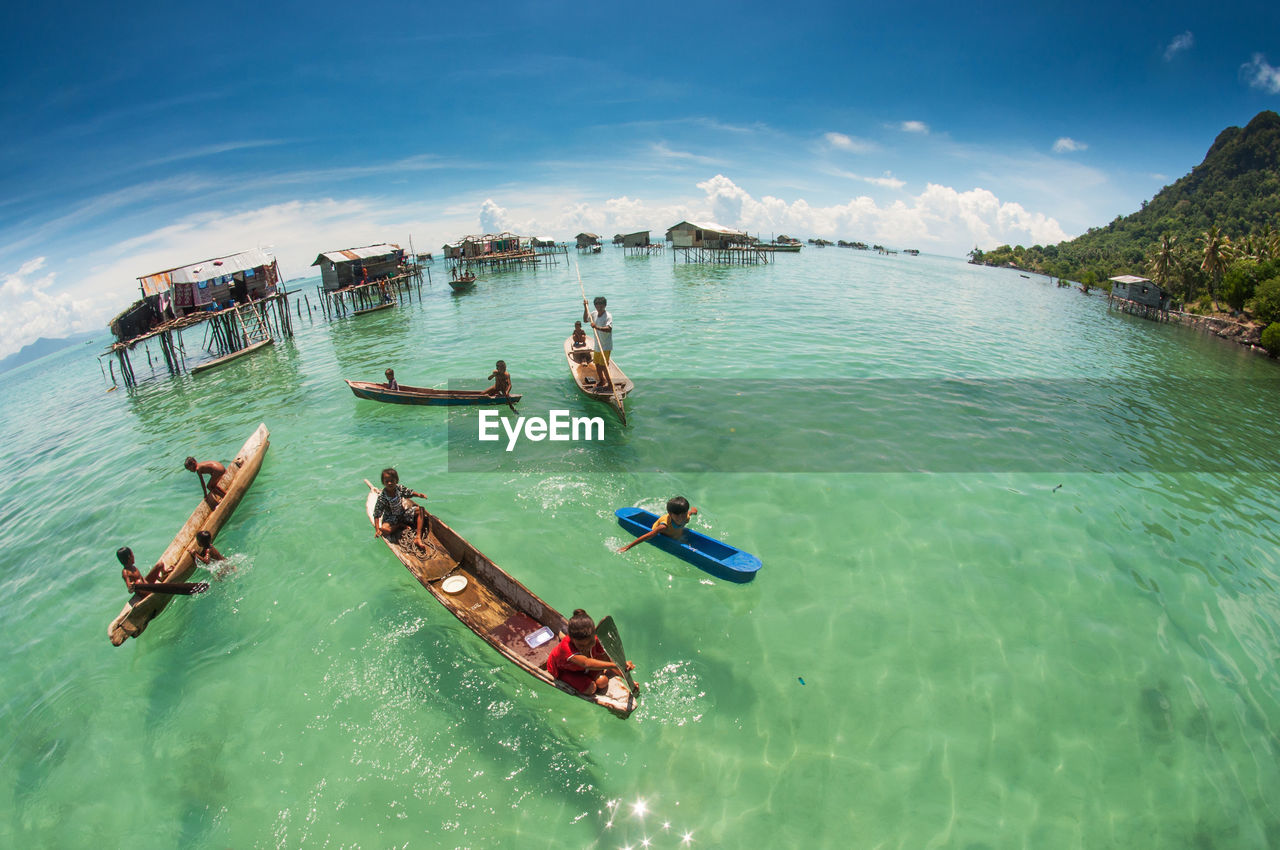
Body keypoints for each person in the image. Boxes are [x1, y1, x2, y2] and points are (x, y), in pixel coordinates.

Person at [545, 609, 635, 696]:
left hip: (582, 668)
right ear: (572, 639)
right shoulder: (567, 648)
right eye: (581, 646)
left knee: (602, 682)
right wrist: (616, 665)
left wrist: (627, 678)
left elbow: (607, 659)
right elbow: (586, 663)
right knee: (590, 689)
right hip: (563, 670)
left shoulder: (596, 639)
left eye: (590, 643)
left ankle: (588, 676)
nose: (587, 647)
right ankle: (567, 678)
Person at [618, 496, 698, 553]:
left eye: (683, 514)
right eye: (677, 515)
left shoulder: (686, 517)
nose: (681, 518)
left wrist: (693, 511)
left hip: (674, 532)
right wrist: (628, 547)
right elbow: (647, 536)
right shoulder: (664, 526)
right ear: (670, 513)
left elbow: (689, 513)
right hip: (660, 532)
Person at [372, 467, 427, 548]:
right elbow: (377, 514)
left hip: (402, 514)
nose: (390, 483)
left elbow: (409, 492)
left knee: (421, 510)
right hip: (391, 519)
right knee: (384, 529)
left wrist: (419, 495)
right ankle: (399, 525)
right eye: (387, 481)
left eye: (392, 481)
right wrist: (377, 529)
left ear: (396, 481)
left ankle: (418, 538)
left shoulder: (399, 488)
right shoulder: (382, 497)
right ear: (383, 483)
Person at [582, 296, 614, 390]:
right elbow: (585, 320)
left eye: (601, 305)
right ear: (595, 305)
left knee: (604, 366)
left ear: (605, 305)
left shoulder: (608, 316)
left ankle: (610, 385)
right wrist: (585, 307)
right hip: (597, 345)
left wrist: (597, 327)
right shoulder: (594, 314)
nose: (599, 307)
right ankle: (602, 380)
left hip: (605, 345)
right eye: (597, 304)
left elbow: (609, 329)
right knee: (597, 364)